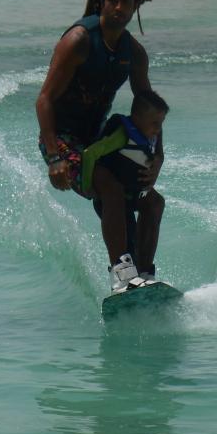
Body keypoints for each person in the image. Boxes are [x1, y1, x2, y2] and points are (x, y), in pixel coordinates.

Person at [36, 0, 165, 295]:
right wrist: (54, 157)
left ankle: (144, 276)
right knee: (110, 187)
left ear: (136, 6)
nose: (119, 8)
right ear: (101, 3)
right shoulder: (79, 41)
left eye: (126, 2)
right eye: (113, 1)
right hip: (61, 138)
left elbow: (149, 105)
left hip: (97, 139)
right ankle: (122, 275)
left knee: (152, 201)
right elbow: (44, 99)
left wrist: (157, 156)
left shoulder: (133, 53)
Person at [80, 90, 169, 292]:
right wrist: (87, 188)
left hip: (133, 196)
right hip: (112, 200)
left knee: (156, 203)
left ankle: (145, 275)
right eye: (154, 123)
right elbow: (89, 154)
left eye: (161, 123)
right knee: (127, 243)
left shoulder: (147, 136)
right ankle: (122, 280)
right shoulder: (122, 135)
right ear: (137, 118)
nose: (158, 129)